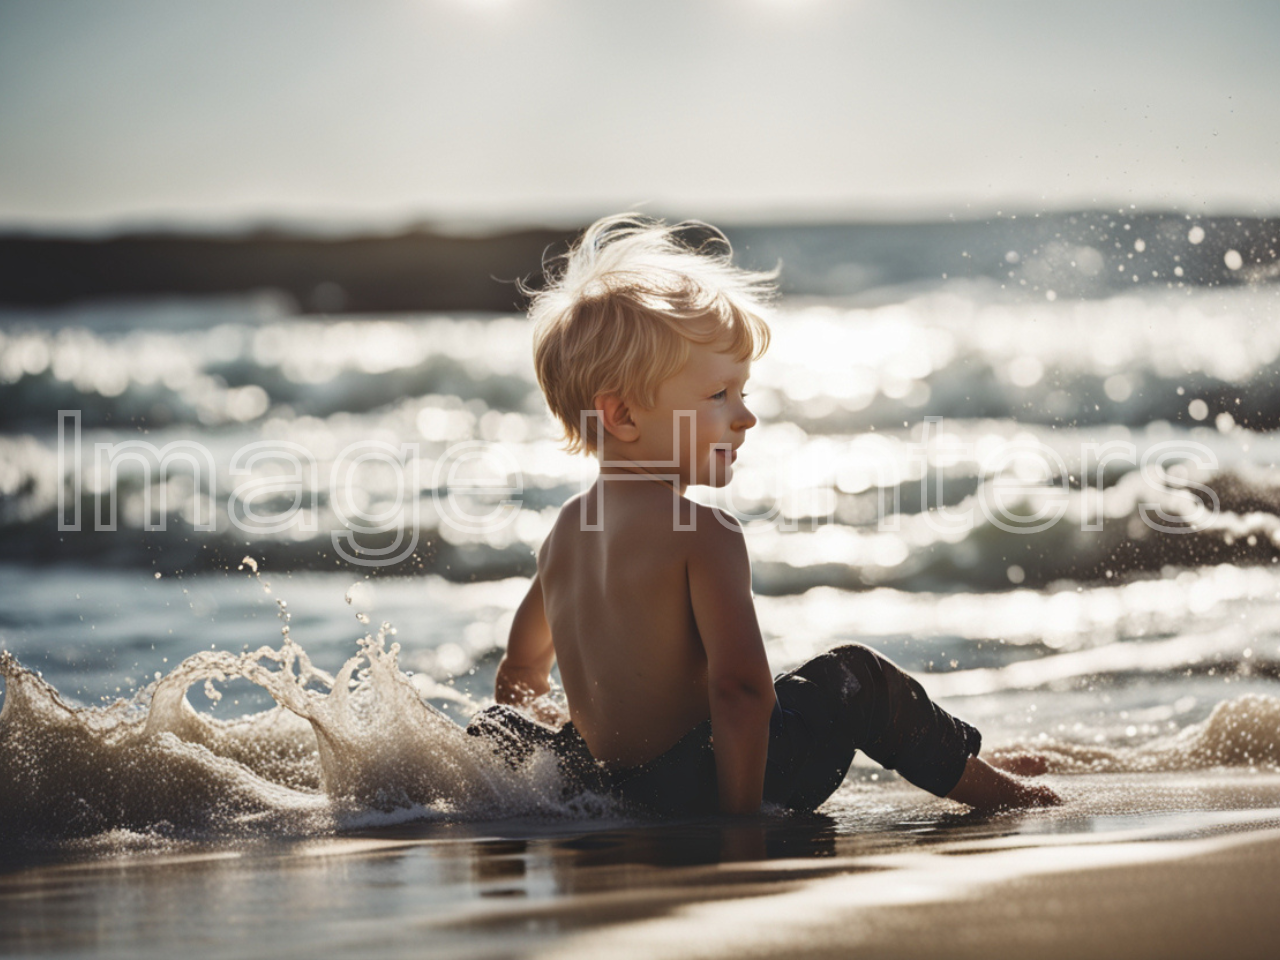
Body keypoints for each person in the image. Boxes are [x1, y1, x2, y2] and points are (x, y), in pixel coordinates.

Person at [470, 214, 1059, 816]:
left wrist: (556, 761)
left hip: (617, 792)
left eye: (742, 393)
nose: (745, 417)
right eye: (718, 395)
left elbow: (519, 672)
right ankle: (1002, 795)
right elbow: (741, 690)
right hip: (714, 785)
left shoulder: (565, 532)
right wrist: (740, 825)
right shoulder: (702, 533)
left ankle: (976, 761)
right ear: (622, 417)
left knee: (500, 726)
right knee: (856, 679)